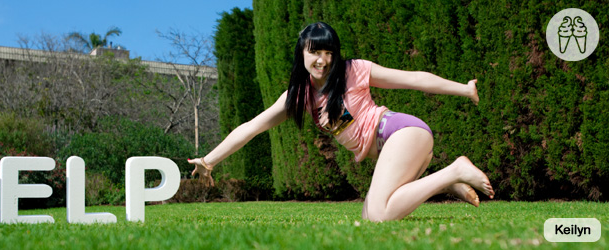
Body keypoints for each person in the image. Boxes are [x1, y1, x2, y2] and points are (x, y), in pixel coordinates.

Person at [188, 22, 494, 222]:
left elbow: (412, 79)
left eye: (328, 52)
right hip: (397, 148)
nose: (323, 60)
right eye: (315, 52)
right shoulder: (299, 96)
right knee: (369, 212)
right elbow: (250, 128)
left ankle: (455, 170)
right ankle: (449, 183)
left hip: (403, 132)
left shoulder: (353, 70)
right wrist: (209, 160)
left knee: (378, 214)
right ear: (302, 53)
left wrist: (463, 88)